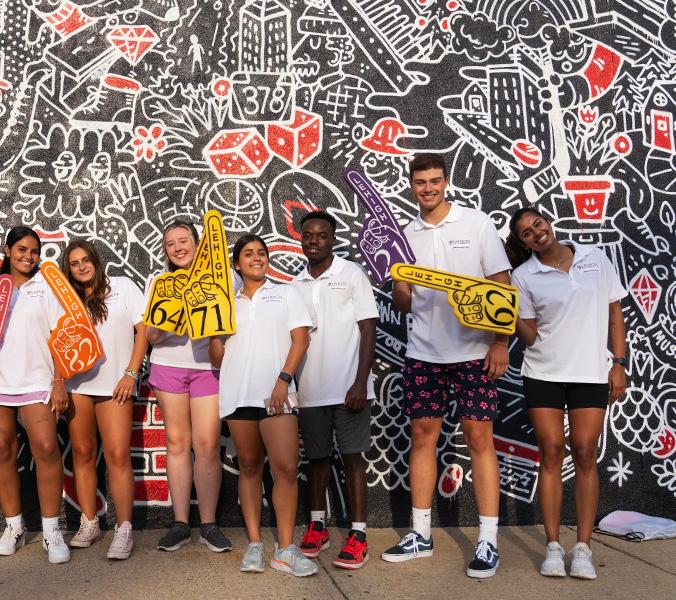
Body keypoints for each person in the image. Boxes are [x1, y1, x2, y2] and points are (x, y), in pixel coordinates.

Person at [381, 153, 511, 578]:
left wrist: (499, 342)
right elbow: (403, 304)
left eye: (435, 181)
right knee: (423, 438)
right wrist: (401, 279)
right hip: (423, 352)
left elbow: (501, 286)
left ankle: (488, 540)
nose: (428, 189)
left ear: (446, 181)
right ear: (411, 185)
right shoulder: (405, 235)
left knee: (479, 440)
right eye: (420, 183)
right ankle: (420, 534)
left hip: (474, 352)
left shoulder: (476, 224)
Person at [506, 207, 627, 580]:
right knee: (552, 452)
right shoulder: (524, 276)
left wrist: (618, 363)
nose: (536, 233)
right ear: (524, 243)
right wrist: (505, 314)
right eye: (526, 233)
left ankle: (584, 548)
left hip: (590, 372)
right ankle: (554, 547)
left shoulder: (595, 257)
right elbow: (529, 336)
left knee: (586, 452)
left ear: (549, 222)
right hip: (543, 372)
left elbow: (615, 313)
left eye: (537, 224)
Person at [209, 234, 318, 577]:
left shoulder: (285, 293)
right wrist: (214, 330)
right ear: (237, 264)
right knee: (250, 467)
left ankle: (285, 549)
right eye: (248, 254)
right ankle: (255, 543)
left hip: (277, 395)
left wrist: (283, 381)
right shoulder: (226, 303)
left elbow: (300, 341)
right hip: (238, 395)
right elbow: (217, 358)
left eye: (261, 253)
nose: (256, 258)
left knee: (285, 468)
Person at [0, 226, 70, 564]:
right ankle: (13, 527)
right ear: (7, 250)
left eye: (34, 251)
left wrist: (59, 380)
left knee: (46, 447)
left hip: (37, 379)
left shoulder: (46, 287)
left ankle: (50, 530)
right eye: (21, 250)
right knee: (2, 448)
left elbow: (61, 335)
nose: (28, 257)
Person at [291, 210, 379, 569]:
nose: (314, 241)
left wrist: (361, 381)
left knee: (353, 459)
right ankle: (317, 526)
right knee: (316, 460)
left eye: (321, 235)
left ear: (333, 239)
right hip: (311, 388)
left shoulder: (351, 274)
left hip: (349, 389)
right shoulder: (294, 284)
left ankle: (358, 534)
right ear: (301, 238)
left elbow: (369, 328)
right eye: (308, 235)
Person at [145, 219, 231, 552]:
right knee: (177, 442)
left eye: (184, 241)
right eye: (171, 244)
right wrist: (169, 319)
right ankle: (180, 523)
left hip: (209, 367)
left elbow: (231, 321)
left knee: (208, 444)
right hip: (168, 366)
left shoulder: (221, 277)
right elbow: (150, 335)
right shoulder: (160, 281)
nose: (178, 248)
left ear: (197, 244)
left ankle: (208, 524)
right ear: (165, 251)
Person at [61, 240, 148, 560]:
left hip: (116, 386)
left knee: (117, 455)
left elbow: (145, 330)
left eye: (86, 260)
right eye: (74, 263)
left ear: (97, 262)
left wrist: (130, 373)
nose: (82, 266)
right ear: (67, 269)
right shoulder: (66, 298)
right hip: (77, 386)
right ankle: (90, 522)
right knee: (82, 453)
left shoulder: (123, 287)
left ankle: (123, 529)